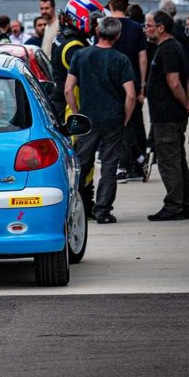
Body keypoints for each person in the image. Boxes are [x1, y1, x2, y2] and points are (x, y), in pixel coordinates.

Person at [64, 16, 136, 223]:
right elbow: (130, 95)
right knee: (109, 166)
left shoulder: (80, 55)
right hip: (113, 120)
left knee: (80, 166)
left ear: (97, 32)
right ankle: (102, 211)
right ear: (118, 35)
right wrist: (126, 117)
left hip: (88, 121)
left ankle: (72, 206)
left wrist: (77, 114)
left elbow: (68, 89)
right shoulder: (121, 59)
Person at [144, 10, 189, 221]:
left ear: (160, 27)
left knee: (169, 161)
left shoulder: (168, 49)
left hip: (167, 116)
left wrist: (186, 104)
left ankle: (175, 206)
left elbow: (174, 82)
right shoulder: (172, 47)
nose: (146, 29)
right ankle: (182, 204)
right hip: (169, 114)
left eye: (149, 25)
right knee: (177, 159)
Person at [107, 0, 148, 182]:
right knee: (133, 122)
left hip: (111, 83)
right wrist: (142, 85)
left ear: (110, 5)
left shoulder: (105, 26)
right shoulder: (137, 28)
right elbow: (142, 58)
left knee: (116, 125)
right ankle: (138, 161)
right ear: (126, 6)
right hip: (132, 81)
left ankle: (123, 165)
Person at [49, 0, 104, 122]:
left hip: (60, 102)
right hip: (71, 108)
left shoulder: (62, 37)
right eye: (93, 20)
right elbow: (89, 81)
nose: (95, 25)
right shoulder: (75, 46)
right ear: (81, 17)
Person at [159, 0, 189, 82]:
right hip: (180, 74)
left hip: (160, 75)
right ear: (175, 13)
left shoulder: (157, 30)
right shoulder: (184, 31)